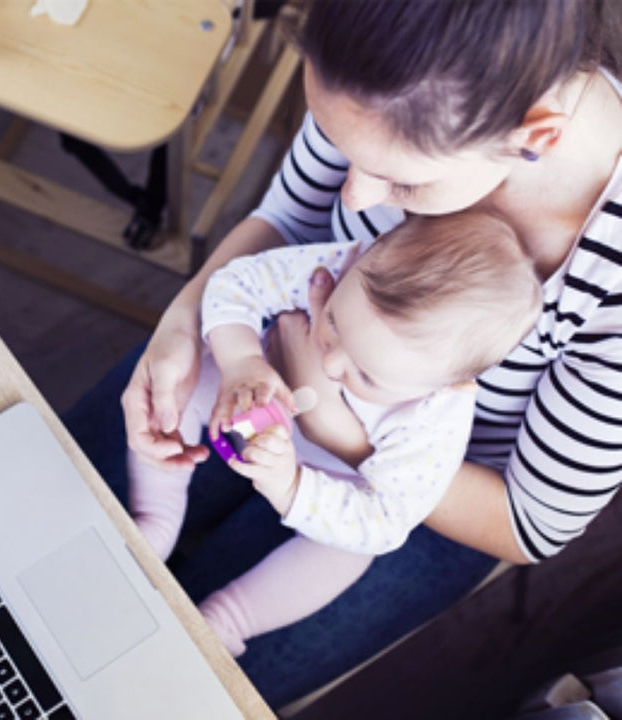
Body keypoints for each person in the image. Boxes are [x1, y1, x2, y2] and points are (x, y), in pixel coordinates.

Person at [63, 0, 622, 709]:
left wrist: (339, 431)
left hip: (423, 495)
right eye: (338, 144)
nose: (356, 196)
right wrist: (183, 323)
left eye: (403, 182)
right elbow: (290, 219)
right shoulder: (392, 61)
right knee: (53, 521)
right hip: (262, 350)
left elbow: (529, 520)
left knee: (164, 687)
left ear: (534, 135)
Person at [128, 211, 541, 656]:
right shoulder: (348, 263)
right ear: (363, 257)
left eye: (366, 374)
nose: (330, 365)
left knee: (349, 552)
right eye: (335, 325)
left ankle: (228, 620)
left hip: (339, 474)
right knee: (181, 391)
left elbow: (384, 520)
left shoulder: (437, 418)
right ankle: (155, 517)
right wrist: (241, 360)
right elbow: (237, 283)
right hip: (260, 387)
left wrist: (292, 487)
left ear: (448, 386)